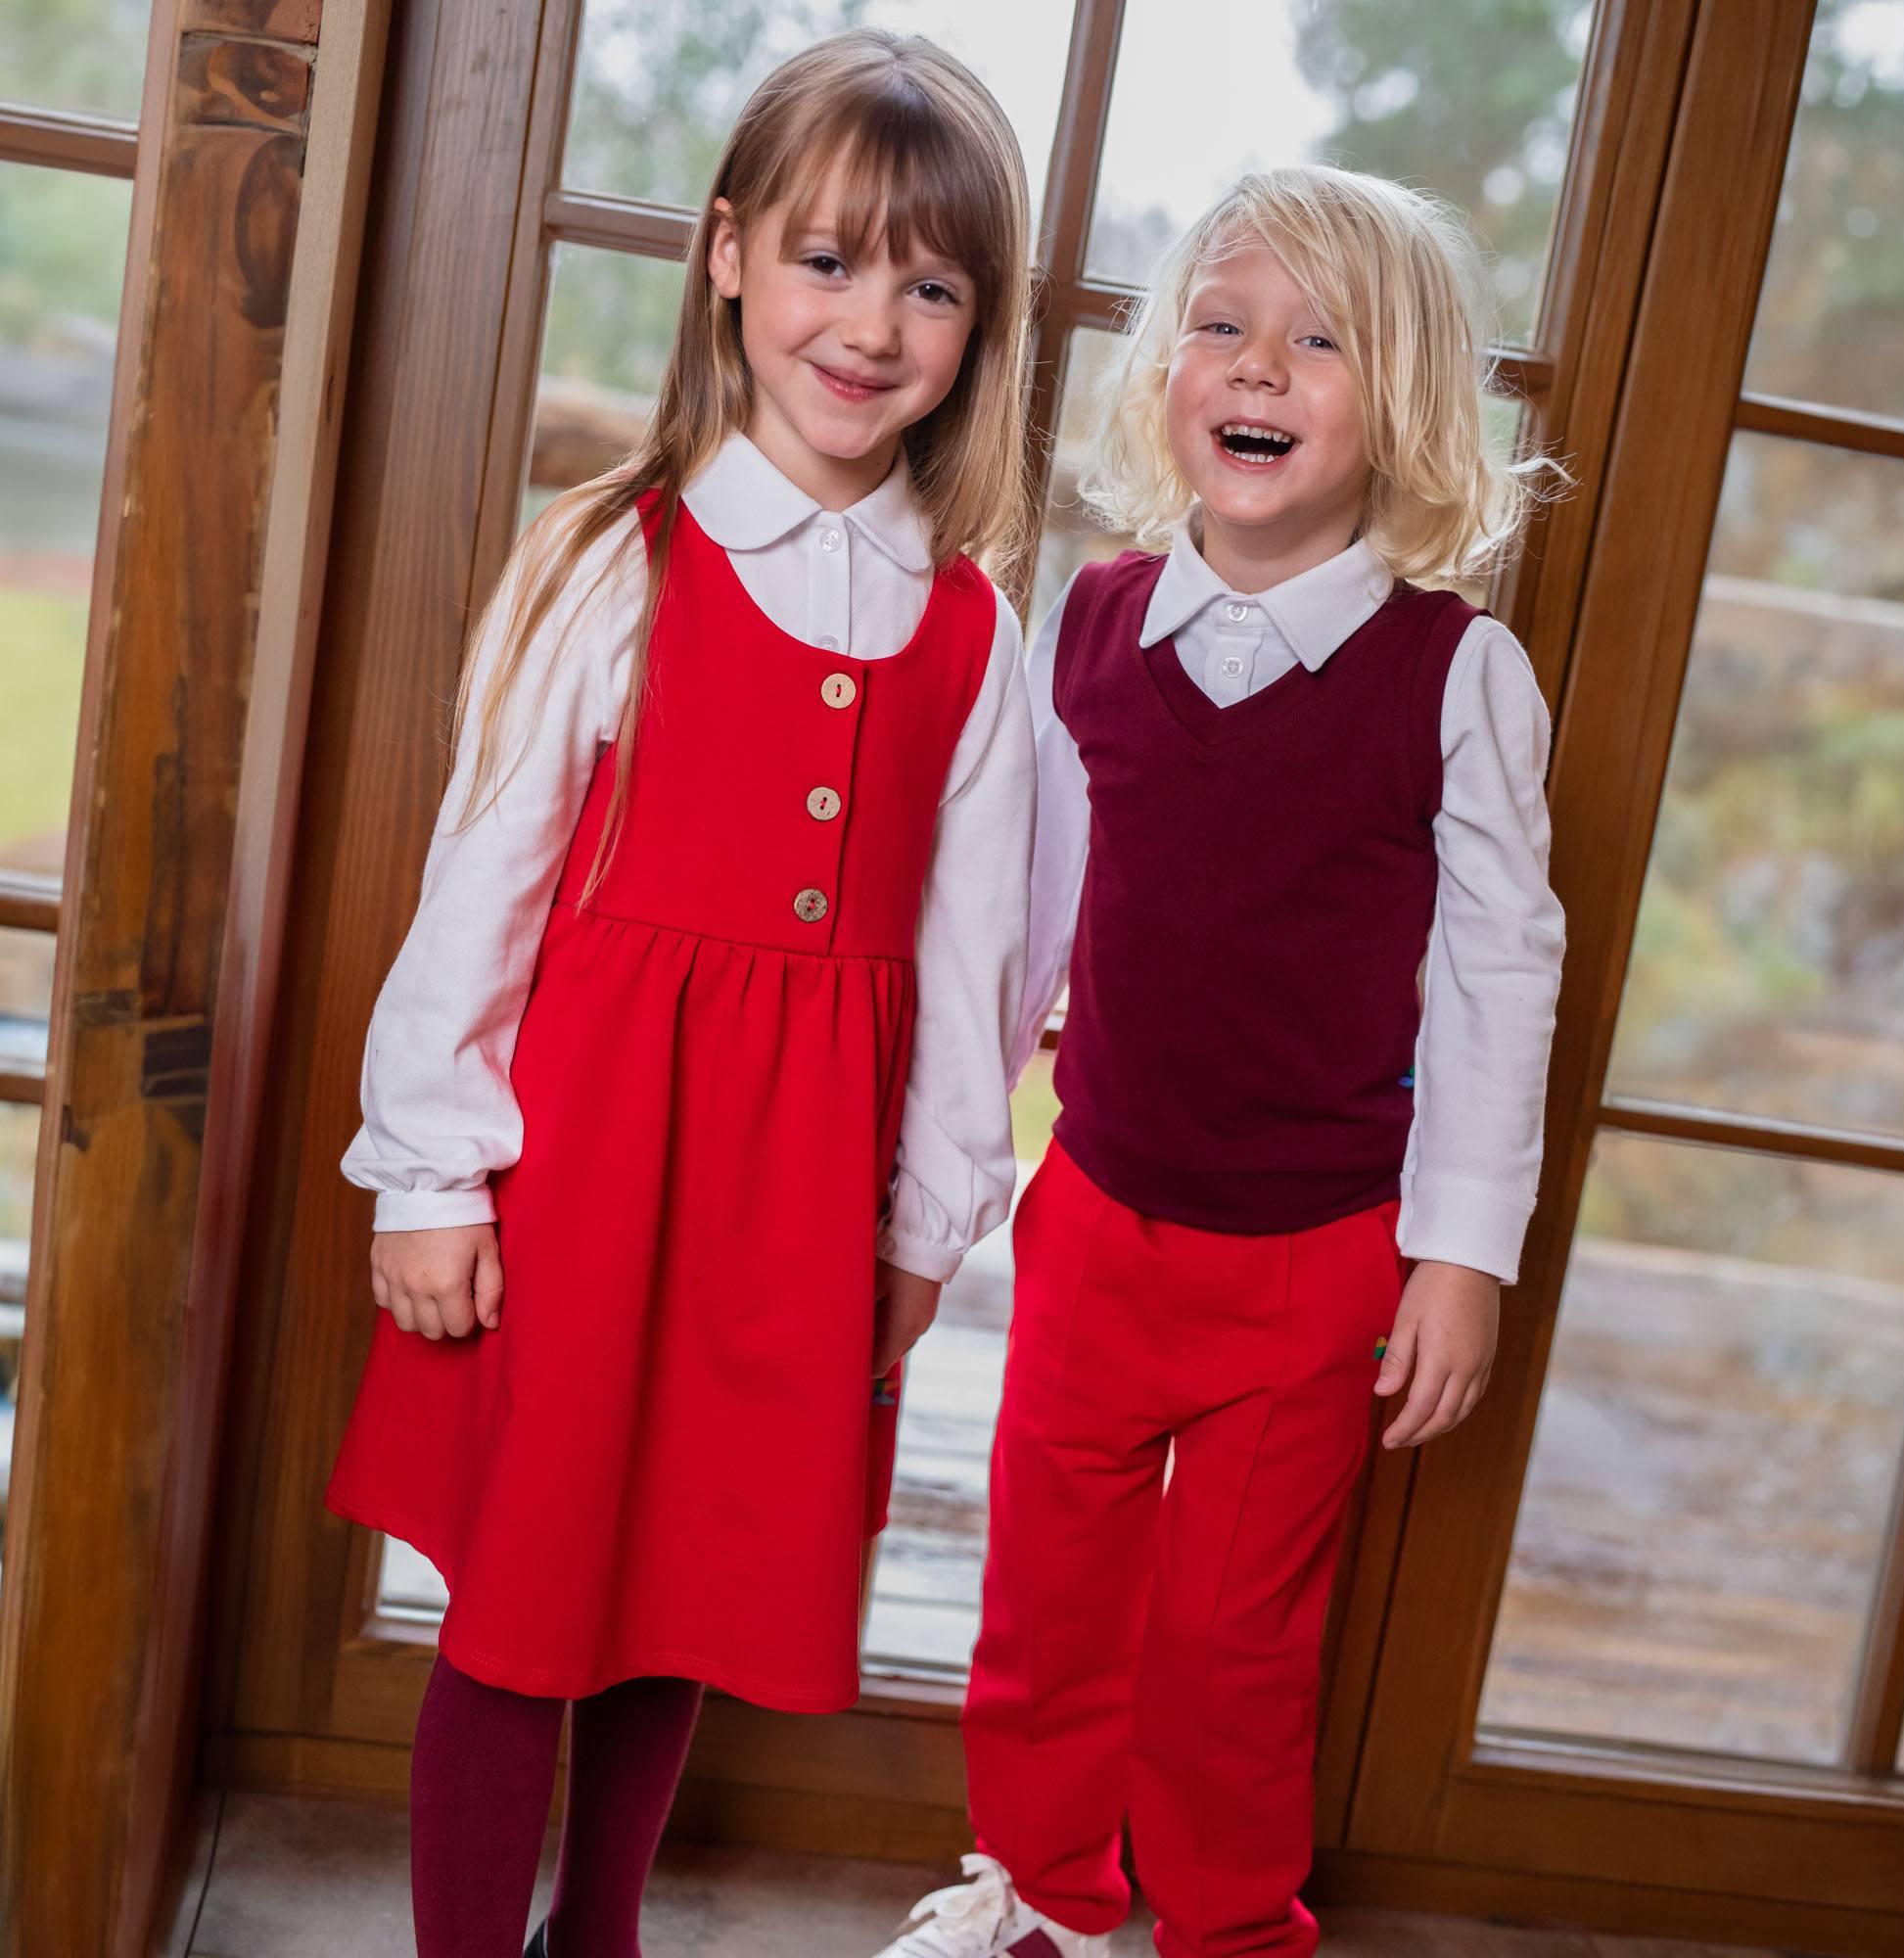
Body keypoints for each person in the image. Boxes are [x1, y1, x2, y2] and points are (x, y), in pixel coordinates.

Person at [324, 30, 1038, 1956]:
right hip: (581, 1165)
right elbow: (481, 882)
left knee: (687, 1582)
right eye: (825, 258)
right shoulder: (611, 560)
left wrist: (926, 1218)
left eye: (929, 282)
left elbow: (985, 961)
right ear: (726, 257)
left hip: (794, 1199)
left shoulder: (976, 627)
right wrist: (433, 1173)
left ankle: (599, 1930)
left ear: (980, 323)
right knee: (521, 1599)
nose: (869, 320)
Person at [880, 164, 1566, 1958]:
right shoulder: (1090, 622)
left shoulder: (1457, 675)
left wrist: (1463, 1256)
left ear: (1402, 402)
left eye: (1319, 341)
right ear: (1166, 374)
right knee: (1046, 1602)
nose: (1259, 369)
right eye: (1223, 326)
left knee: (1230, 1649)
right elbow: (1027, 916)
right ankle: (1038, 1894)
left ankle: (1230, 1929)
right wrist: (945, 1176)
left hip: (1312, 1262)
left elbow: (1502, 976)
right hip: (1097, 1216)